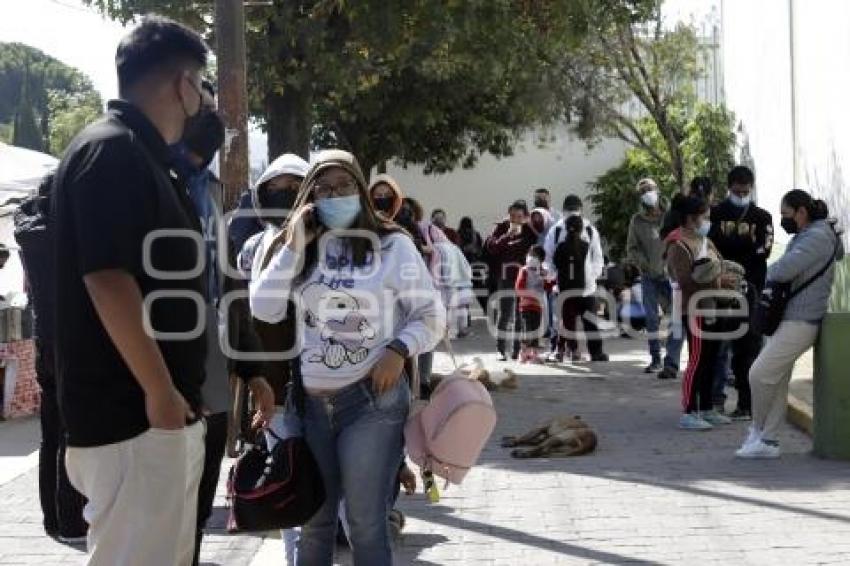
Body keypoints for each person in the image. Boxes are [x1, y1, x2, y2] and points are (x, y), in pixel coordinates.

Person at [52, 17, 211, 565]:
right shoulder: (112, 151)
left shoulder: (144, 156)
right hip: (134, 419)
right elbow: (107, 279)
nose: (203, 97)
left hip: (155, 418)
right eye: (201, 83)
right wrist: (160, 393)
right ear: (181, 85)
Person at [250, 149, 444, 566]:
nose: (333, 195)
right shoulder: (302, 248)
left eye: (343, 186)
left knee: (364, 523)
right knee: (314, 523)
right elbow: (263, 308)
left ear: (360, 188)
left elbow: (431, 316)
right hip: (311, 406)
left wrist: (397, 349)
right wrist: (293, 244)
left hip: (371, 403)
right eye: (322, 189)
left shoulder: (393, 246)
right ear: (309, 197)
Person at [169, 84, 275, 565]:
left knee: (193, 507)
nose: (213, 116)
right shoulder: (139, 175)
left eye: (216, 108)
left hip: (210, 371)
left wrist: (253, 369)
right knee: (157, 513)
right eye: (205, 105)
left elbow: (229, 285)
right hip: (155, 375)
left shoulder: (210, 189)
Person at [736, 190, 844, 459]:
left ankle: (758, 429)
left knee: (759, 374)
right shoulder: (810, 235)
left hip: (801, 319)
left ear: (801, 212)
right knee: (778, 379)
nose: (783, 220)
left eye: (786, 214)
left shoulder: (817, 237)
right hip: (791, 317)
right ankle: (768, 440)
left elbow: (781, 270)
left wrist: (764, 272)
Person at [14, 173, 88, 543]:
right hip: (72, 337)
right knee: (72, 431)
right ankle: (72, 519)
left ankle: (51, 519)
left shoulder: (28, 229)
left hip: (44, 336)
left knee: (50, 432)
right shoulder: (64, 230)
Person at [665, 194, 738, 431]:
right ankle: (689, 410)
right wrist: (719, 282)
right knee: (697, 360)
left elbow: (719, 264)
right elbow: (685, 280)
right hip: (693, 307)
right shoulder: (678, 244)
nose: (708, 221)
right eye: (704, 216)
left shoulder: (704, 240)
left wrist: (726, 278)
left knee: (711, 359)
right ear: (690, 218)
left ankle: (706, 407)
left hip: (714, 306)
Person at [709, 165, 774, 420]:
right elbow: (713, 246)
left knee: (748, 349)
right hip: (721, 291)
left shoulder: (762, 217)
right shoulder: (716, 213)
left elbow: (764, 250)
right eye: (737, 191)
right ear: (729, 188)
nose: (742, 194)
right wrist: (744, 248)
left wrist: (733, 251)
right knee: (718, 347)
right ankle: (715, 401)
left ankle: (746, 404)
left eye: (746, 191)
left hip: (752, 291)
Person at [626, 178, 684, 378]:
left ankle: (672, 359)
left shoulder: (670, 216)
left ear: (657, 190)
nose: (647, 193)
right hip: (649, 276)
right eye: (643, 191)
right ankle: (655, 359)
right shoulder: (637, 220)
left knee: (675, 317)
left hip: (671, 274)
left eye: (649, 189)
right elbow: (632, 248)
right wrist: (644, 264)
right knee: (651, 319)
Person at [544, 194, 609, 362]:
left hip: (579, 287)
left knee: (575, 321)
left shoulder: (587, 230)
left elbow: (597, 257)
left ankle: (585, 352)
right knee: (572, 322)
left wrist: (590, 276)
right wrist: (555, 276)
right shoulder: (558, 230)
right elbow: (548, 259)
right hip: (572, 287)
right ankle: (570, 351)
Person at [485, 200, 537, 360]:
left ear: (525, 217)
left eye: (519, 217)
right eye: (512, 216)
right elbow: (491, 247)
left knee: (520, 314)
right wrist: (506, 236)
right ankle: (501, 349)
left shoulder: (529, 231)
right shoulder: (501, 227)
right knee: (505, 312)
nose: (515, 220)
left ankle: (516, 350)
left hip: (523, 276)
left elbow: (536, 245)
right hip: (505, 276)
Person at [515, 245, 555, 363]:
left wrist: (547, 279)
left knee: (536, 331)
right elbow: (519, 288)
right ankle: (522, 353)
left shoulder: (542, 271)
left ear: (541, 259)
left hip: (538, 306)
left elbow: (548, 287)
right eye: (530, 255)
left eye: (535, 256)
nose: (531, 258)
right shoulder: (524, 270)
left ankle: (533, 354)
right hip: (526, 306)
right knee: (528, 331)